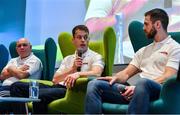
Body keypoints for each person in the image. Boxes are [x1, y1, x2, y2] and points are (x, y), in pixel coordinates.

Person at [85, 8, 180, 114]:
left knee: (143, 83)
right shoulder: (143, 51)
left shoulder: (174, 48)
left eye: (146, 24)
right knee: (94, 84)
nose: (143, 28)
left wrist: (137, 87)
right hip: (138, 90)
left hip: (159, 90)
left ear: (157, 24)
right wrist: (115, 77)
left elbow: (168, 76)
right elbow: (126, 74)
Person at [10, 25, 104, 114]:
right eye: (79, 37)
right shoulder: (68, 58)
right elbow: (55, 80)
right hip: (57, 87)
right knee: (16, 86)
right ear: (73, 40)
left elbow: (97, 73)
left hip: (71, 91)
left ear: (88, 39)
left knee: (39, 94)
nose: (83, 40)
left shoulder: (95, 56)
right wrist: (72, 69)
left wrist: (78, 74)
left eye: (85, 37)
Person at [0, 38, 42, 113]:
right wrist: (19, 69)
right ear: (16, 49)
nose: (21, 47)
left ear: (30, 47)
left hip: (21, 91)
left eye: (24, 45)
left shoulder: (35, 60)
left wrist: (10, 68)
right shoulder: (13, 60)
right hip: (4, 89)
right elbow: (2, 76)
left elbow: (21, 75)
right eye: (19, 46)